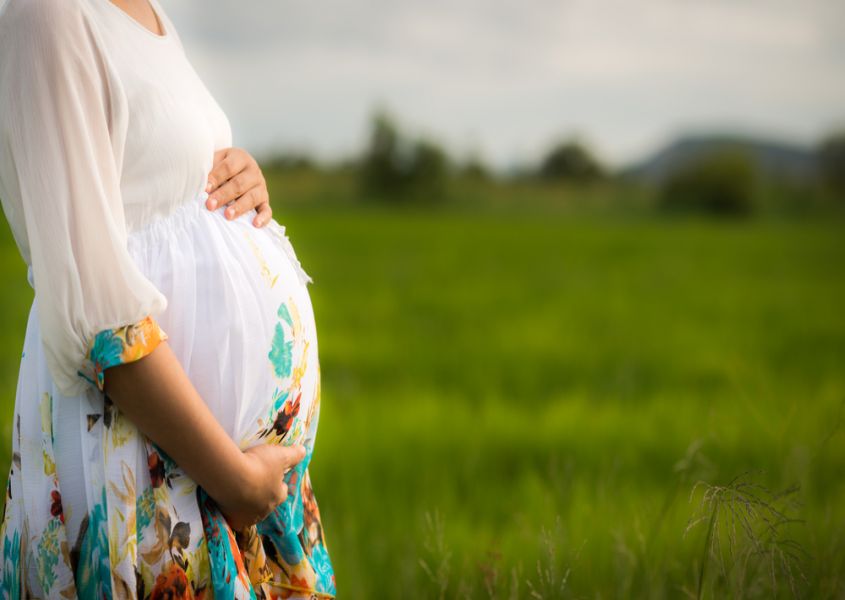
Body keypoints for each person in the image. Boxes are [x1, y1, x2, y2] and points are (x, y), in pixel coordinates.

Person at [0, 0, 336, 597]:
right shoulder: (46, 14)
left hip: (222, 479)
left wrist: (241, 180)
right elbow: (99, 317)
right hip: (152, 467)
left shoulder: (147, 11)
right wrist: (235, 481)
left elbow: (164, 184)